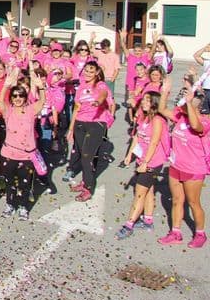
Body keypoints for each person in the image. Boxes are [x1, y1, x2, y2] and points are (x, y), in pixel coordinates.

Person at [157, 83, 209, 248]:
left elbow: (195, 126)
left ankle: (200, 234)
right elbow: (162, 109)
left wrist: (189, 102)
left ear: (199, 105)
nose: (183, 102)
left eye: (190, 100)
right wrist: (165, 92)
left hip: (194, 169)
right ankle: (175, 232)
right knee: (177, 201)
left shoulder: (205, 122)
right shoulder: (180, 117)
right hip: (176, 166)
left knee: (193, 203)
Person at [116, 91, 169, 240]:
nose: (143, 102)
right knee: (149, 190)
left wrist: (145, 163)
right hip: (142, 160)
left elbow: (154, 142)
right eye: (144, 99)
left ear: (154, 103)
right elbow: (137, 137)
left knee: (139, 193)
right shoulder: (143, 117)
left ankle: (129, 225)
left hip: (152, 162)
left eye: (147, 100)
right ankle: (148, 221)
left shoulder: (158, 120)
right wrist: (129, 155)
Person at [0, 67, 46, 220]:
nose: (18, 98)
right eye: (15, 96)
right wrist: (6, 86)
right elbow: (0, 100)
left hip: (26, 155)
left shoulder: (31, 110)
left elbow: (42, 101)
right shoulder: (8, 111)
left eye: (21, 96)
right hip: (9, 154)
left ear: (25, 97)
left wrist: (41, 87)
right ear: (11, 98)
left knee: (24, 184)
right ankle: (10, 205)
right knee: (10, 182)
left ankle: (23, 207)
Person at [67, 61, 112, 202]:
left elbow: (103, 94)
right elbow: (76, 108)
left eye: (91, 71)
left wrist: (98, 102)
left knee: (87, 156)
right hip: (80, 122)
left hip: (96, 123)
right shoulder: (80, 87)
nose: (87, 73)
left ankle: (88, 189)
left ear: (97, 73)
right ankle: (85, 181)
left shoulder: (100, 85)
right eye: (86, 70)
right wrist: (70, 129)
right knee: (81, 154)